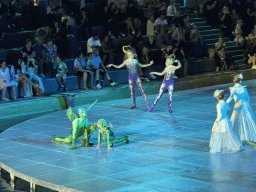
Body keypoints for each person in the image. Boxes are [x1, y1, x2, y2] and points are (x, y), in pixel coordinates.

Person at [209, 89, 243, 154]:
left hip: (221, 120)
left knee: (218, 133)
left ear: (217, 97)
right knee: (229, 133)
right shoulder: (225, 103)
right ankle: (234, 145)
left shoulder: (218, 105)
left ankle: (220, 146)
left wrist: (217, 121)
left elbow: (220, 115)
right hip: (226, 120)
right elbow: (228, 109)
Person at [226, 74, 256, 142]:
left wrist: (225, 103)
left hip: (238, 105)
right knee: (248, 119)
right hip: (245, 105)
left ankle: (235, 136)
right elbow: (248, 98)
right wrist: (246, 104)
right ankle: (250, 135)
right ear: (240, 81)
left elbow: (231, 98)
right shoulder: (244, 88)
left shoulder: (233, 89)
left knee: (236, 120)